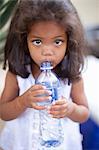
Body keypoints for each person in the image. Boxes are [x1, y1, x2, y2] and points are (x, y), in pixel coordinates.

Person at [0, 0, 89, 150]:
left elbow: (84, 113)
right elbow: (3, 112)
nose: (47, 51)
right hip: (20, 144)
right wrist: (22, 102)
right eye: (37, 41)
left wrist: (70, 109)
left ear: (69, 41)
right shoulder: (18, 73)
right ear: (24, 40)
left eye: (58, 41)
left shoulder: (71, 74)